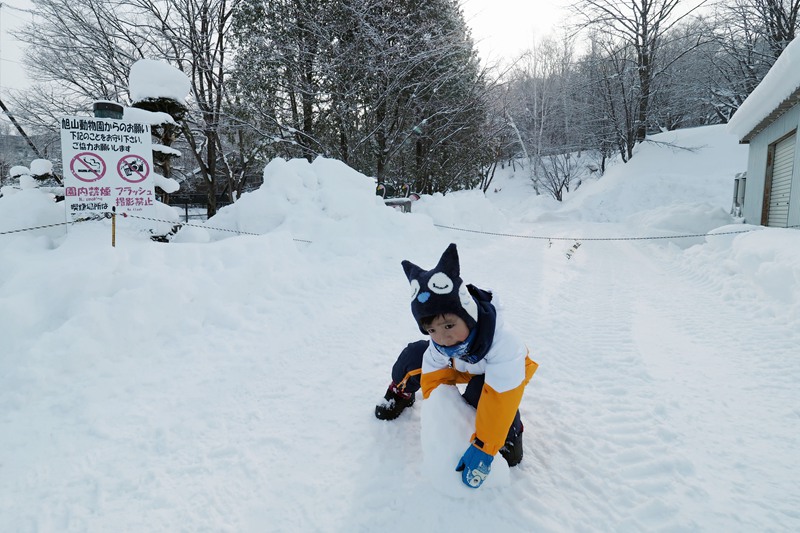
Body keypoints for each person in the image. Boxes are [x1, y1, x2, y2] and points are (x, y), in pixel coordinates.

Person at [375, 243, 538, 489]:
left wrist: (485, 446)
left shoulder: (504, 344)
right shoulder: (440, 344)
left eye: (449, 326)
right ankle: (400, 393)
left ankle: (510, 433)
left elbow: (500, 398)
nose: (442, 338)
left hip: (501, 378)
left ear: (468, 315)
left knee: (481, 395)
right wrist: (440, 422)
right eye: (432, 330)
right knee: (413, 357)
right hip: (462, 364)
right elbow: (434, 385)